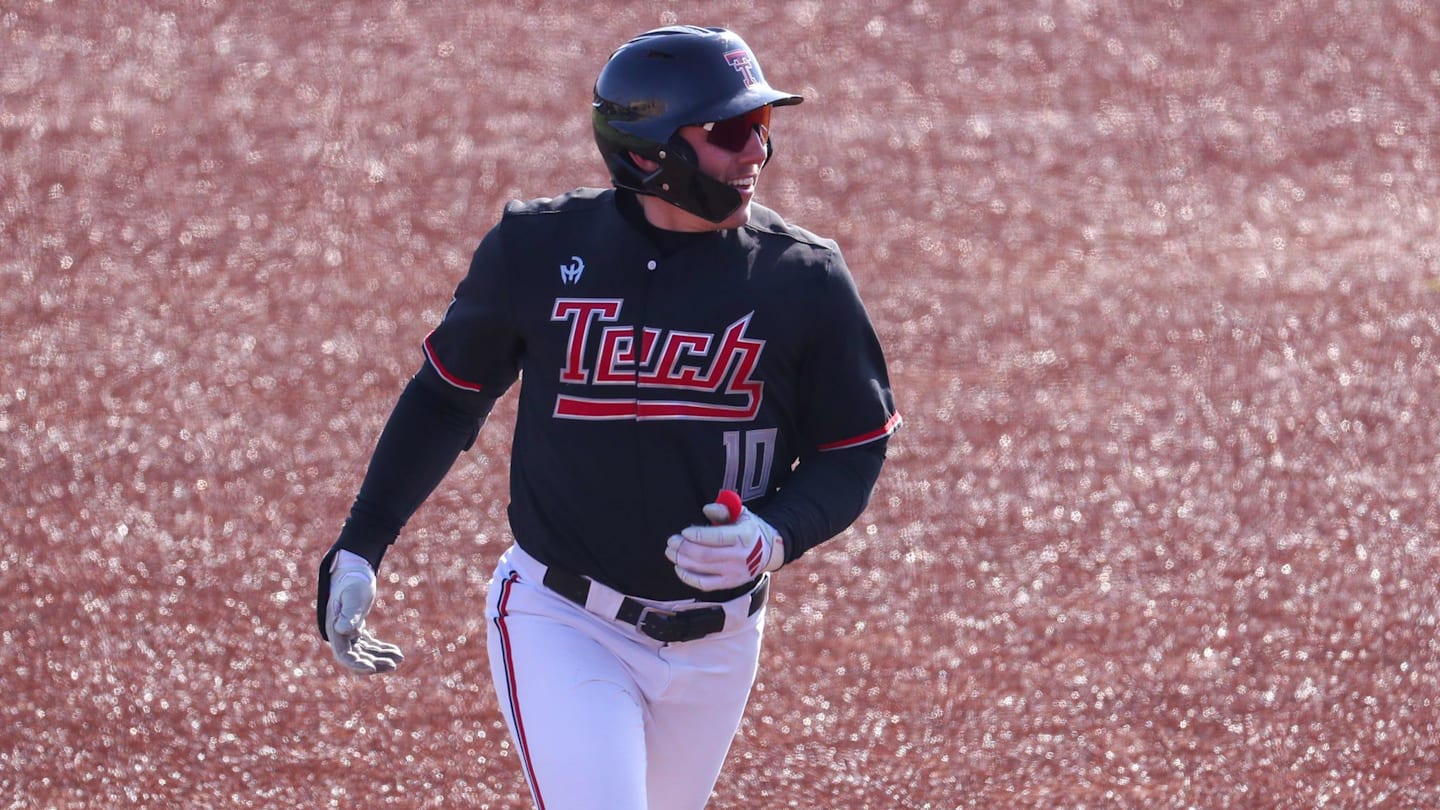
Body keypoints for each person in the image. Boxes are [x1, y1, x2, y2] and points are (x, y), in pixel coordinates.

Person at [315, 24, 900, 809]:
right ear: (650, 152)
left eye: (763, 126)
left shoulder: (805, 280)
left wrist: (775, 533)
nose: (755, 152)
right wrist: (361, 544)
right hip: (565, 620)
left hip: (720, 646)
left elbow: (852, 449)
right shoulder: (538, 248)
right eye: (731, 131)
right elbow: (447, 395)